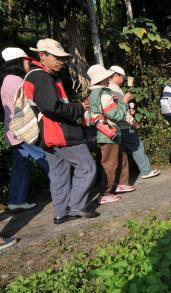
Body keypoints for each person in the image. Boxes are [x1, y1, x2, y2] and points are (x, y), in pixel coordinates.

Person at [26, 39, 98, 224]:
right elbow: (52, 108)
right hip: (59, 132)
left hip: (47, 135)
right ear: (42, 55)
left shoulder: (37, 75)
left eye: (62, 58)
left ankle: (61, 212)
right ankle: (76, 206)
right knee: (87, 167)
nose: (61, 61)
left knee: (59, 175)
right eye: (56, 57)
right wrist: (79, 107)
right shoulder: (41, 76)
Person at [1, 47, 49, 212]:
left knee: (22, 167)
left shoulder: (7, 80)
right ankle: (67, 191)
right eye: (26, 59)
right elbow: (32, 103)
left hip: (15, 133)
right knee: (49, 160)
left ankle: (16, 200)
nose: (29, 62)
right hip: (24, 132)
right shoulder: (16, 81)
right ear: (18, 62)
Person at [86, 64, 134, 204]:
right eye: (107, 77)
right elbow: (115, 114)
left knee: (119, 156)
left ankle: (119, 184)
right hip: (108, 133)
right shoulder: (104, 93)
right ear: (101, 79)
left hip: (102, 131)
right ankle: (105, 193)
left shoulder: (93, 93)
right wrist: (124, 103)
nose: (109, 79)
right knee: (109, 163)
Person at [108, 65, 160, 180]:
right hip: (122, 125)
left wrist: (127, 108)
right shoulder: (114, 90)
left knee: (119, 152)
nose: (123, 80)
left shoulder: (106, 88)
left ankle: (119, 179)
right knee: (137, 145)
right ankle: (146, 170)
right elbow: (120, 111)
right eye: (122, 77)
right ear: (117, 75)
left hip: (112, 126)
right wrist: (133, 122)